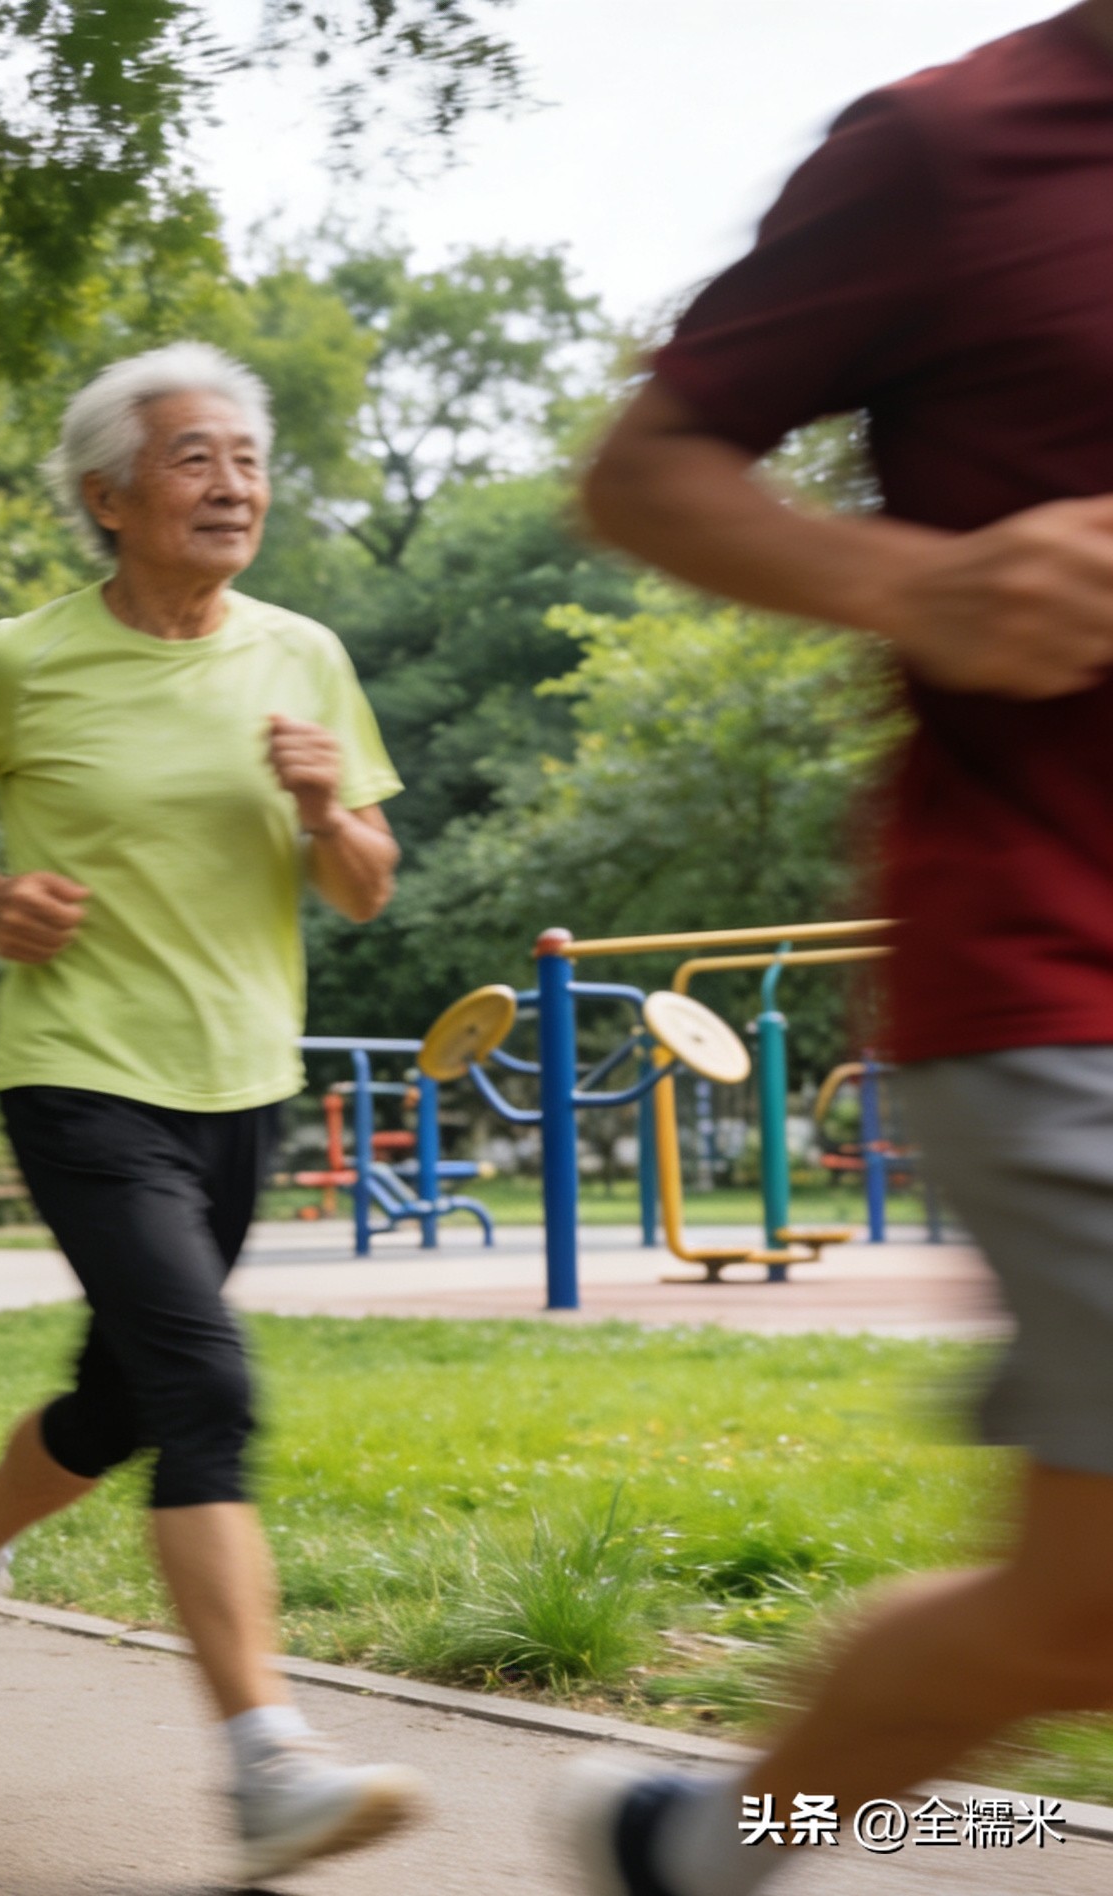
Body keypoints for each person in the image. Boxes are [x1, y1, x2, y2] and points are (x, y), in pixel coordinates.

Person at [568, 7, 1113, 1892]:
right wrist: (926, 585)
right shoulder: (956, 148)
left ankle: (712, 1843)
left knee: (1075, 1614)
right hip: (1062, 960)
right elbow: (642, 471)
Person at [0, 342, 424, 1884]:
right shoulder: (23, 661)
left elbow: (367, 885)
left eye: (246, 456)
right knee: (209, 1390)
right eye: (195, 457)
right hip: (79, 1069)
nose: (233, 481)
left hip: (238, 1081)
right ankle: (267, 1763)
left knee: (118, 1405)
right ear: (108, 496)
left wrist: (325, 809)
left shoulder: (304, 654)